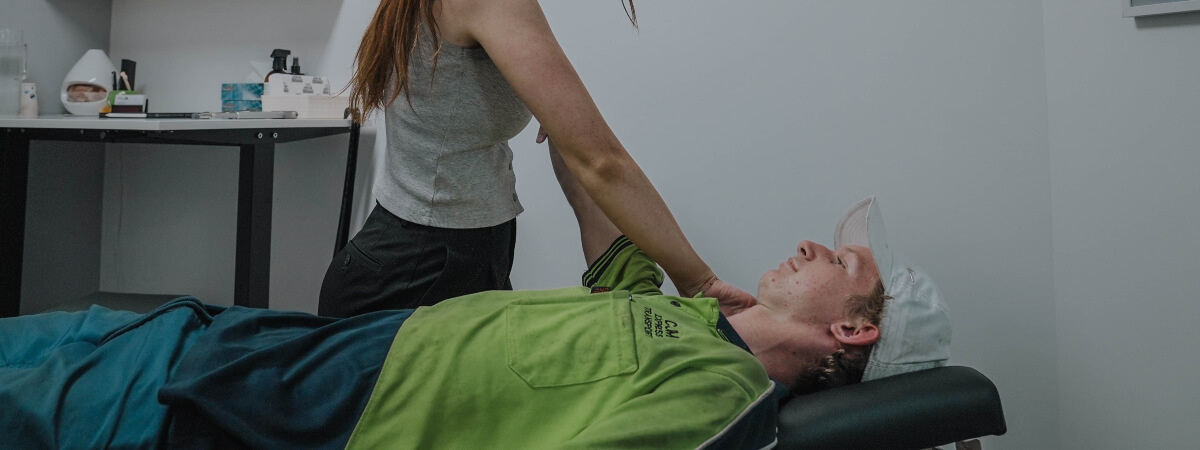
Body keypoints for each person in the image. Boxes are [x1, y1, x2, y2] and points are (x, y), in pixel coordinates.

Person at [0, 141, 950, 449]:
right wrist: (543, 109)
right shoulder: (694, 314)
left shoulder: (721, 398)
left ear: (852, 328)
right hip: (231, 339)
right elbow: (596, 190)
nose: (810, 244)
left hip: (273, 409)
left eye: (843, 259)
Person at [320, 0, 749, 317]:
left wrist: (563, 120)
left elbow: (587, 165)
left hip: (462, 255)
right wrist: (701, 283)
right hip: (416, 272)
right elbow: (602, 163)